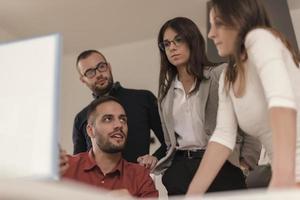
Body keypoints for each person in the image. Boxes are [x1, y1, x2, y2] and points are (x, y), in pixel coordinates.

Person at [188, 0, 300, 195]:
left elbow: (282, 103)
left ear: (239, 20)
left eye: (219, 23)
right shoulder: (227, 78)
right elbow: (222, 137)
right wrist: (192, 194)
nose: (211, 33)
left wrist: (283, 179)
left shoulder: (260, 38)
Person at [152, 17, 261, 196]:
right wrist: (169, 171)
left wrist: (246, 163)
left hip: (221, 165)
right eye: (166, 44)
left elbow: (250, 120)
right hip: (180, 170)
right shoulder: (165, 95)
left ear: (192, 40)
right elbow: (169, 142)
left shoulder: (220, 75)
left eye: (179, 40)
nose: (172, 47)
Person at [73, 50, 166, 169]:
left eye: (101, 66)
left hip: (138, 181)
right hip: (98, 186)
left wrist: (155, 158)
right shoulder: (81, 118)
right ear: (83, 79)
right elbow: (79, 165)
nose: (98, 74)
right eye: (90, 72)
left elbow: (169, 142)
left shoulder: (143, 99)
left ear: (109, 67)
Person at [62, 96, 158, 198]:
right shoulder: (65, 167)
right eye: (108, 119)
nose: (119, 125)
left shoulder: (140, 176)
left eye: (122, 119)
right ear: (90, 130)